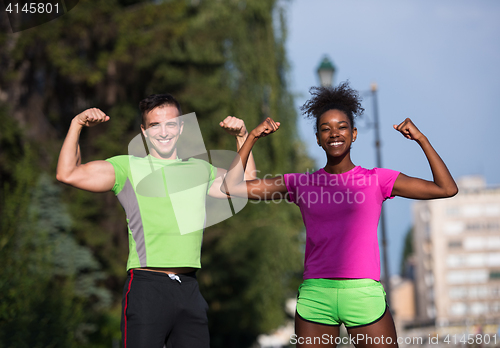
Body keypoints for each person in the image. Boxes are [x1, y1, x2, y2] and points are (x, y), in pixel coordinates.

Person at [222, 81, 458, 347]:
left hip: (363, 296)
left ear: (354, 133)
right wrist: (251, 136)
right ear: (318, 138)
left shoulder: (377, 180)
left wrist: (421, 139)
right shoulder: (300, 183)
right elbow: (231, 187)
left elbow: (446, 188)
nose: (334, 133)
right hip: (316, 299)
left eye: (342, 127)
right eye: (326, 129)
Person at [56, 93, 256, 348]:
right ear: (144, 131)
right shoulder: (126, 168)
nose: (163, 132)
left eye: (170, 124)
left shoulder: (199, 169)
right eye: (154, 125)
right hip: (146, 290)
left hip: (189, 290)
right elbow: (67, 173)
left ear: (181, 127)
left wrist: (243, 136)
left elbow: (247, 186)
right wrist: (77, 124)